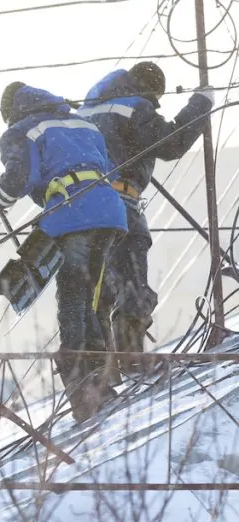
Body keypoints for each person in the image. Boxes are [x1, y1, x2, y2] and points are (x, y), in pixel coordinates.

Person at [0, 82, 128, 422]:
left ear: (10, 112)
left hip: (74, 213)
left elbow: (19, 177)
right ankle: (99, 377)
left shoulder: (22, 131)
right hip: (110, 212)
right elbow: (111, 168)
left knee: (73, 297)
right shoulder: (81, 123)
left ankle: (82, 383)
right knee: (90, 297)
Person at [77, 61, 215, 367]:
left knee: (100, 291)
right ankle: (131, 360)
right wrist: (200, 104)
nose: (154, 106)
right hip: (118, 205)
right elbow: (172, 142)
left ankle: (100, 375)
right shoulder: (134, 107)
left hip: (80, 213)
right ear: (150, 89)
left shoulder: (86, 113)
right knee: (131, 285)